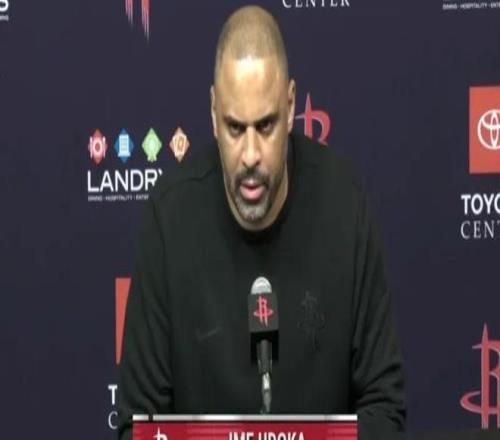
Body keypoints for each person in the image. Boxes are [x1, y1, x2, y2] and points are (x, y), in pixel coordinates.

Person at [117, 5, 406, 440]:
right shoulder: (169, 220)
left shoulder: (345, 206)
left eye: (266, 126)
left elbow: (384, 407)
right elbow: (138, 425)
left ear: (290, 106)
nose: (250, 155)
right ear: (213, 113)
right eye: (235, 128)